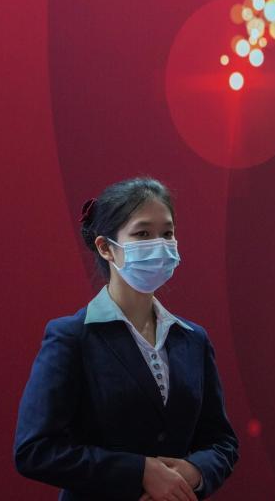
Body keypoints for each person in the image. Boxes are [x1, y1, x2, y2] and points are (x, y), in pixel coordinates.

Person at [14, 177, 239, 500]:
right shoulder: (73, 336)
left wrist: (195, 472)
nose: (159, 245)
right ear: (105, 247)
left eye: (167, 233)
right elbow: (35, 450)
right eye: (143, 234)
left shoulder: (193, 339)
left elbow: (221, 442)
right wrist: (140, 472)